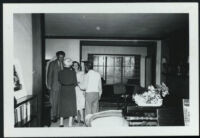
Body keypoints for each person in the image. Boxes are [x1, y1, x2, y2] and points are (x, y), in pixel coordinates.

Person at [58, 58, 77, 127]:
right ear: (70, 64)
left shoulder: (60, 72)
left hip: (63, 89)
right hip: (71, 89)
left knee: (62, 105)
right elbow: (75, 83)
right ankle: (69, 124)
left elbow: (59, 81)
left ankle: (61, 123)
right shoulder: (73, 72)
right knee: (71, 105)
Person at [47, 51, 65, 122]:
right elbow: (49, 75)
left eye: (62, 57)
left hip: (62, 86)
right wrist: (49, 85)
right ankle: (52, 116)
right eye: (60, 57)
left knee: (60, 102)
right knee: (53, 101)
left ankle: (58, 115)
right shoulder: (52, 63)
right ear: (57, 57)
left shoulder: (64, 63)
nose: (61, 58)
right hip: (54, 86)